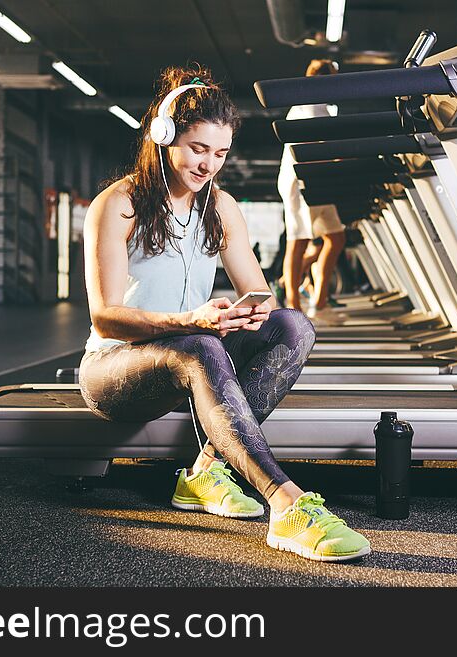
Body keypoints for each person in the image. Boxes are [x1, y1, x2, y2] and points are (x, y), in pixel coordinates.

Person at [78, 65, 370, 563]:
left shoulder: (221, 207)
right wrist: (192, 320)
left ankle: (205, 472)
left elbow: (259, 291)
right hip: (114, 369)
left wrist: (251, 313)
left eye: (220, 153)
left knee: (293, 326)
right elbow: (107, 317)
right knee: (200, 344)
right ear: (164, 138)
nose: (209, 164)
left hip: (193, 346)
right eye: (198, 149)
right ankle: (286, 502)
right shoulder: (119, 204)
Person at [277, 59, 347, 321]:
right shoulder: (307, 107)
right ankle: (293, 307)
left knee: (336, 237)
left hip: (317, 180)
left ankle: (320, 301)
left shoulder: (323, 106)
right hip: (300, 182)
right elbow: (319, 149)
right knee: (299, 241)